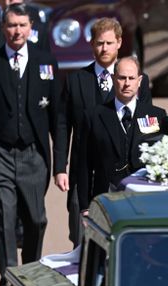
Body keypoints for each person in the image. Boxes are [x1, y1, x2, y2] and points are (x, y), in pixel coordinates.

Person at [0, 3, 59, 286]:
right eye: (11, 25)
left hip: (34, 155)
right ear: (2, 28)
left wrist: (59, 165)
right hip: (0, 153)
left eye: (22, 25)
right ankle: (9, 282)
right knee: (4, 221)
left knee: (36, 220)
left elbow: (57, 116)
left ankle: (31, 273)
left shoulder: (46, 62)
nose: (17, 31)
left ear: (31, 27)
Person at [53, 17, 152, 247]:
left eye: (109, 43)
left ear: (119, 42)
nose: (104, 48)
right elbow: (63, 124)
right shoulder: (76, 80)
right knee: (82, 237)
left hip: (126, 173)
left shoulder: (138, 81)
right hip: (84, 171)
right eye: (99, 43)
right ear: (92, 44)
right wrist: (60, 167)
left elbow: (145, 124)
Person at [77, 56, 166, 212]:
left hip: (146, 198)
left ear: (139, 81)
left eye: (131, 78)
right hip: (106, 199)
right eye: (122, 78)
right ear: (113, 79)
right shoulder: (94, 116)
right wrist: (85, 207)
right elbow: (84, 164)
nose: (126, 83)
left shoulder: (156, 115)